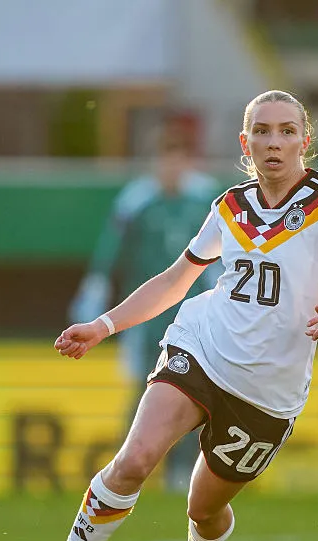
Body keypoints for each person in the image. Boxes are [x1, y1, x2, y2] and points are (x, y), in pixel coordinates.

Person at [11, 90, 318, 541]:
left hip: (268, 392)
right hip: (202, 346)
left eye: (287, 131)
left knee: (203, 507)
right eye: (262, 131)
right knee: (134, 460)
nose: (275, 142)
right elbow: (176, 281)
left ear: (305, 141)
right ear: (246, 143)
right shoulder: (229, 207)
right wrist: (104, 325)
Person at [69, 114, 220, 491]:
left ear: (189, 162)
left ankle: (182, 472)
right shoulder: (136, 201)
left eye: (179, 160)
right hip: (147, 313)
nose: (172, 168)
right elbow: (111, 251)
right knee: (144, 387)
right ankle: (128, 469)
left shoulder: (206, 199)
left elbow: (228, 253)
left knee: (195, 391)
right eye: (165, 160)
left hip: (194, 313)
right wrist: (95, 291)